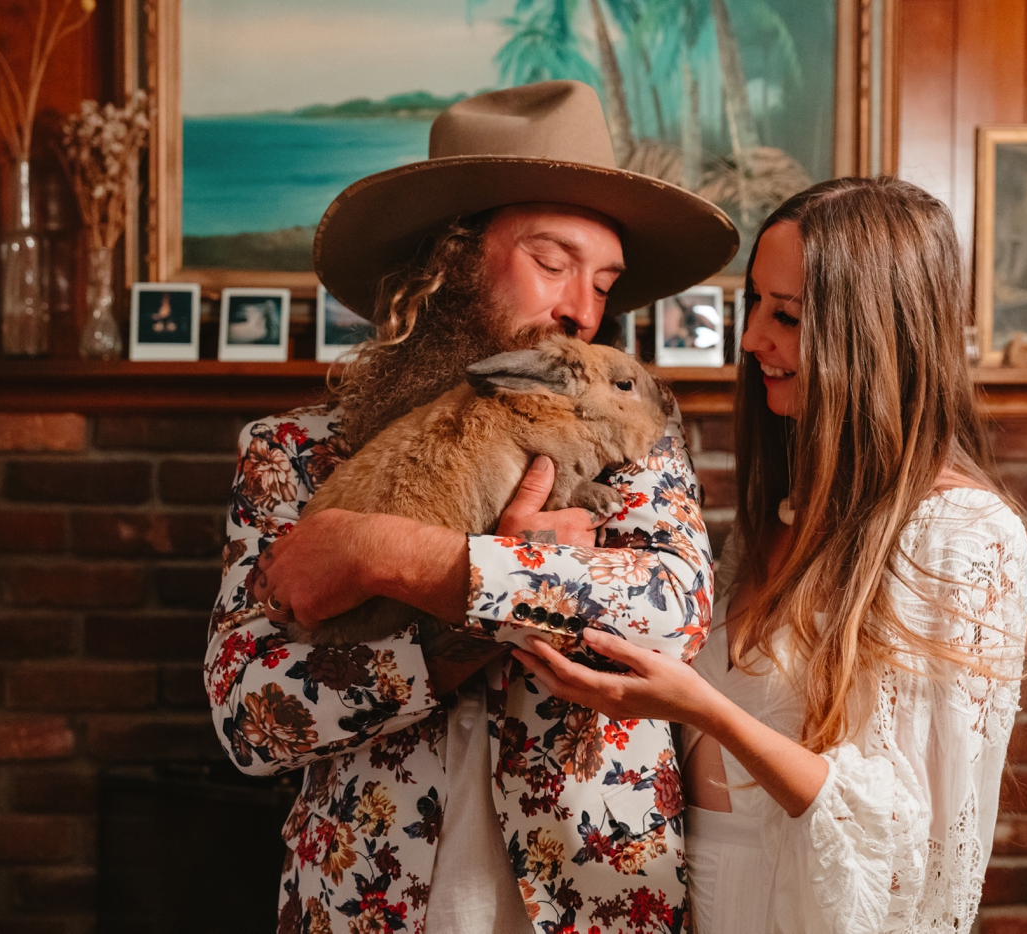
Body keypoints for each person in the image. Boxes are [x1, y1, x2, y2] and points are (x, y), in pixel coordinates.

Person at [204, 81, 739, 934]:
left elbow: (669, 619)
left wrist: (383, 555)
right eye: (553, 261)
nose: (583, 311)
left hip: (597, 891)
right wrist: (515, 593)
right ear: (449, 259)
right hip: (364, 903)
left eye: (605, 282)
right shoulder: (295, 453)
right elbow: (252, 717)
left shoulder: (628, 439)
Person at [516, 176, 1027, 934]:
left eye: (785, 315)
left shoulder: (963, 534)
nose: (753, 338)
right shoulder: (775, 523)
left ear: (875, 334)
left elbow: (911, 847)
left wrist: (704, 711)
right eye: (752, 304)